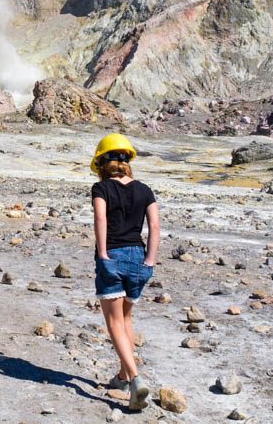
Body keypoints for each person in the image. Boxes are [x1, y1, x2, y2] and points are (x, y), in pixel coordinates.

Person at [90, 133, 160, 412]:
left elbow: (100, 218)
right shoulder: (145, 189)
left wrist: (104, 253)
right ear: (127, 161)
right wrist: (150, 261)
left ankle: (135, 379)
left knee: (114, 323)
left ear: (102, 163)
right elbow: (154, 226)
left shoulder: (102, 189)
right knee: (126, 320)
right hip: (138, 257)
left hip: (113, 256)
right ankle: (122, 377)